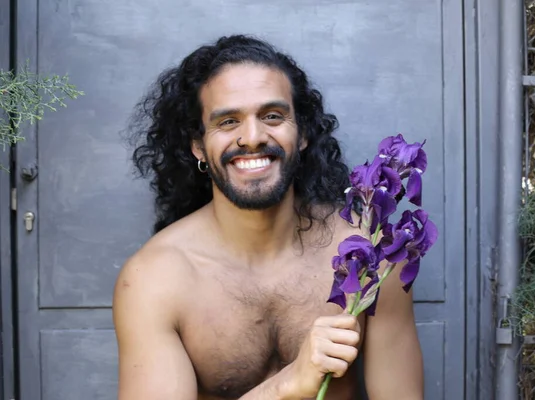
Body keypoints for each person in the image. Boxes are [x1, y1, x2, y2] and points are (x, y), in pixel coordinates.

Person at [113, 34, 424, 400]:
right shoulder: (155, 279)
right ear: (198, 144)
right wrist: (284, 387)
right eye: (228, 121)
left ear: (303, 133)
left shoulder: (369, 257)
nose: (253, 137)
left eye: (272, 116)